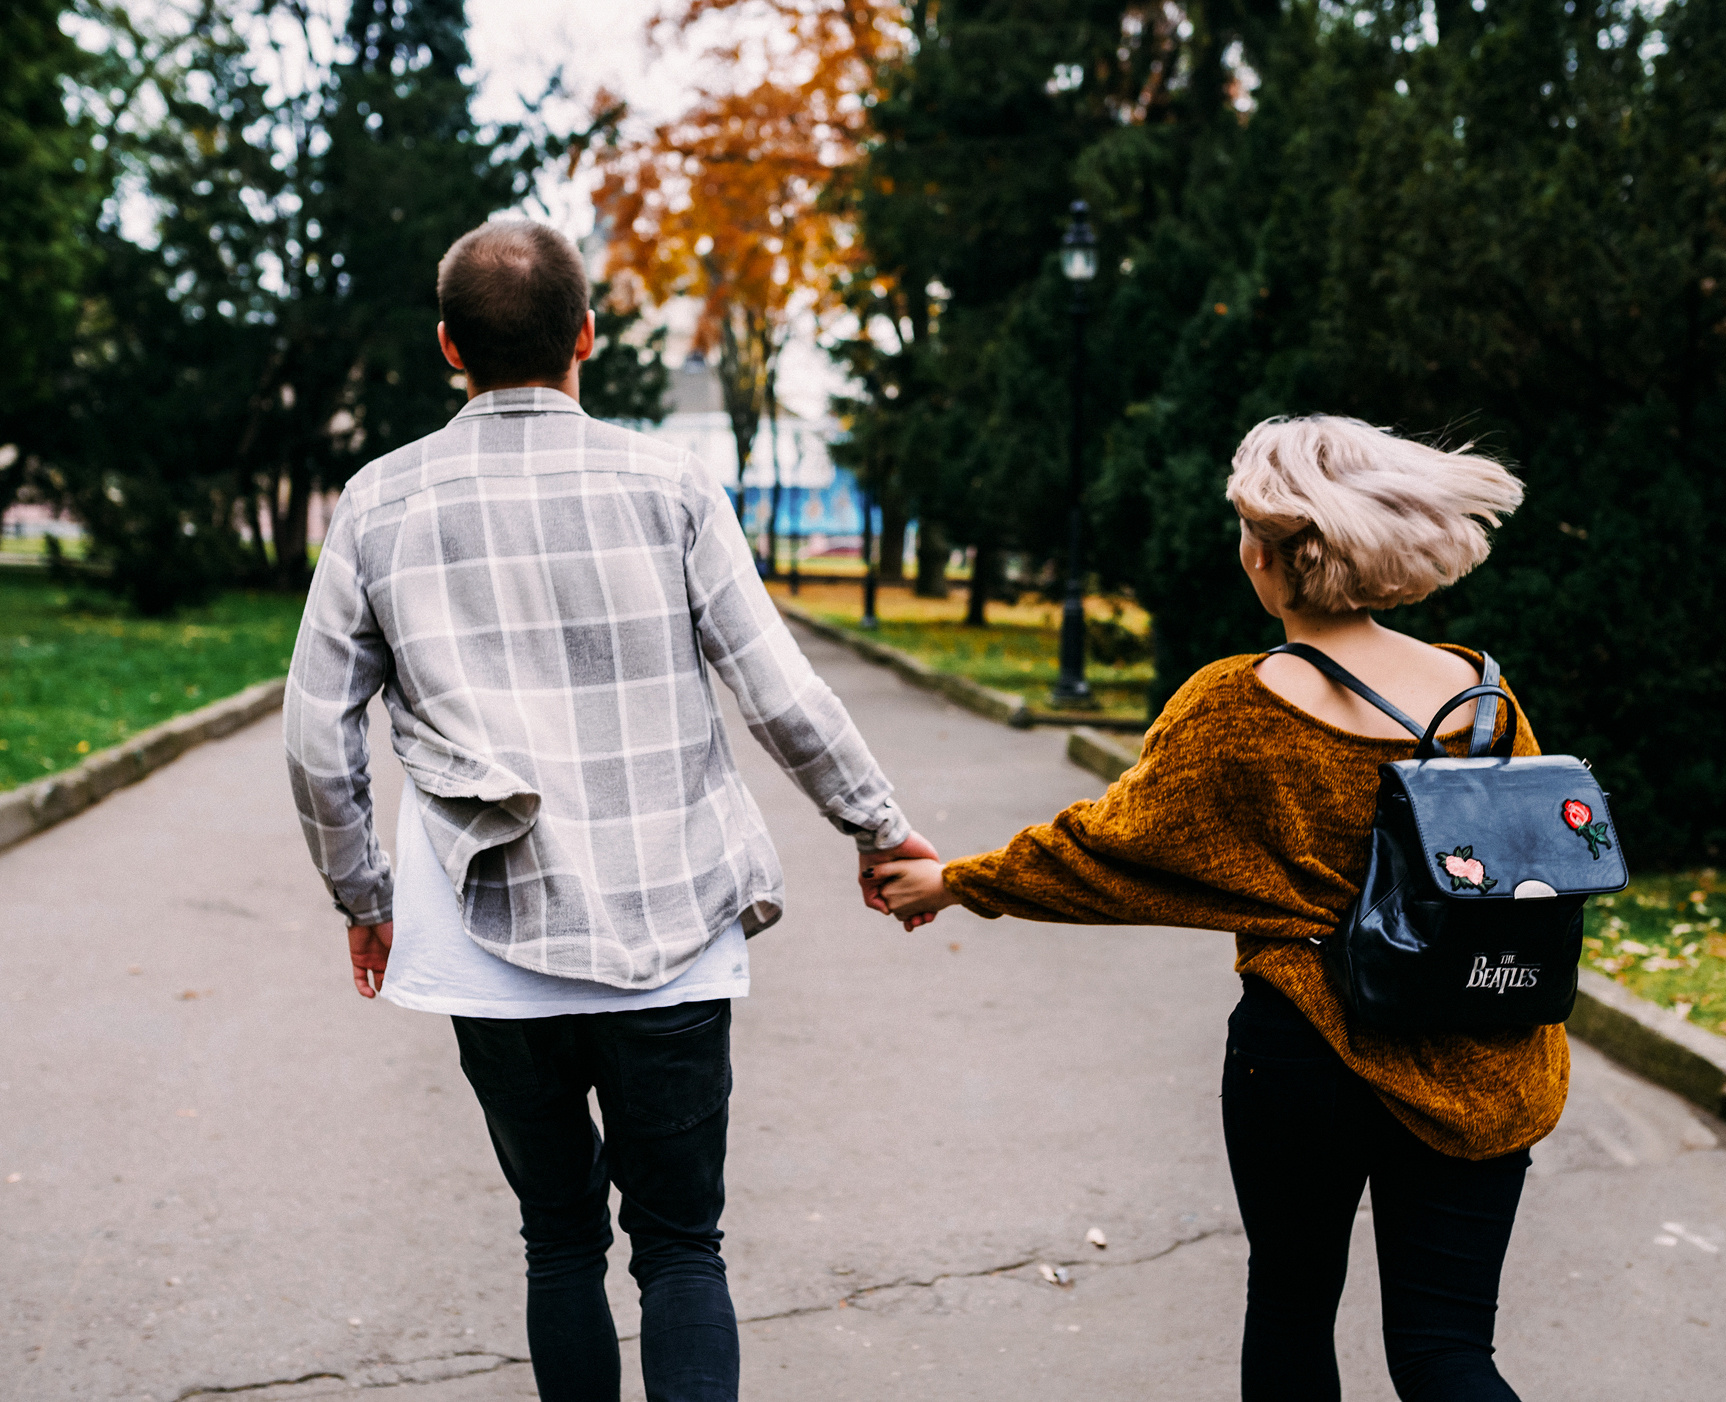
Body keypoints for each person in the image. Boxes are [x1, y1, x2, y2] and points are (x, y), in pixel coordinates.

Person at [283, 219, 935, 1402]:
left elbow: (316, 734)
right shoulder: (669, 484)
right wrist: (878, 827)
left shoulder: (379, 503)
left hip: (487, 944)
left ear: (449, 348)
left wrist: (364, 900)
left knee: (559, 1240)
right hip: (671, 933)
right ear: (586, 335)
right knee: (684, 1246)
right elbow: (776, 689)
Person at [871, 414, 1555, 1402]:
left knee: (1290, 1305)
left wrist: (955, 881)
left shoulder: (1241, 703)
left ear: (1275, 557)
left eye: (1245, 526)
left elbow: (1107, 849)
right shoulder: (1480, 694)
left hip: (1308, 1056)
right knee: (1450, 1352)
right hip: (1477, 1050)